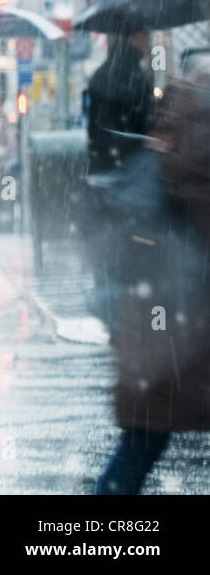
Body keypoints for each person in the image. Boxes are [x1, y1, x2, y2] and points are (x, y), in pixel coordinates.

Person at [93, 76, 210, 494]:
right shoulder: (198, 137)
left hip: (156, 313)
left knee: (145, 436)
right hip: (185, 311)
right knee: (147, 435)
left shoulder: (176, 123)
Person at [86, 30, 153, 174]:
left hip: (106, 158)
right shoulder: (130, 73)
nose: (149, 44)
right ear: (134, 38)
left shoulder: (110, 69)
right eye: (147, 39)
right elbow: (137, 116)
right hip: (125, 161)